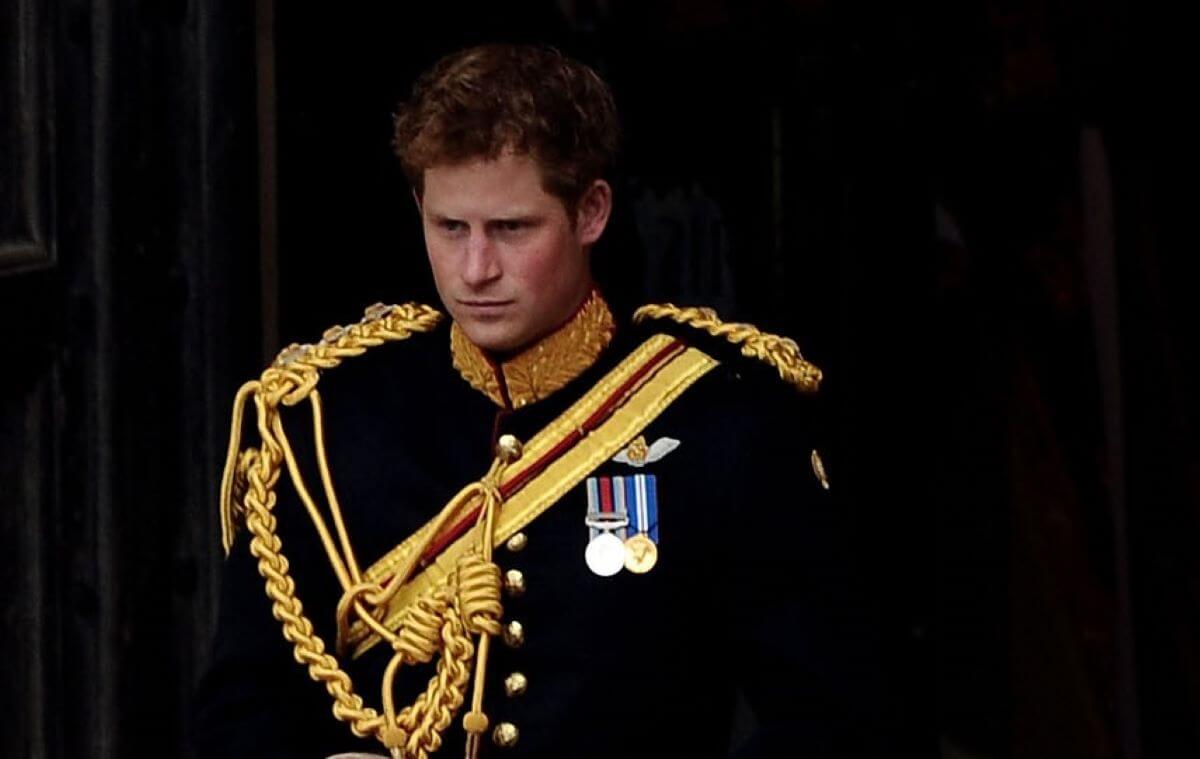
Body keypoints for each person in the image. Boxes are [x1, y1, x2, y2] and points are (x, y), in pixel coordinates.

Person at [193, 43, 886, 759]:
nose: (475, 269)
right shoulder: (324, 422)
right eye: (449, 228)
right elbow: (241, 712)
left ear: (591, 212)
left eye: (512, 229)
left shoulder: (720, 420)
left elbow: (828, 720)